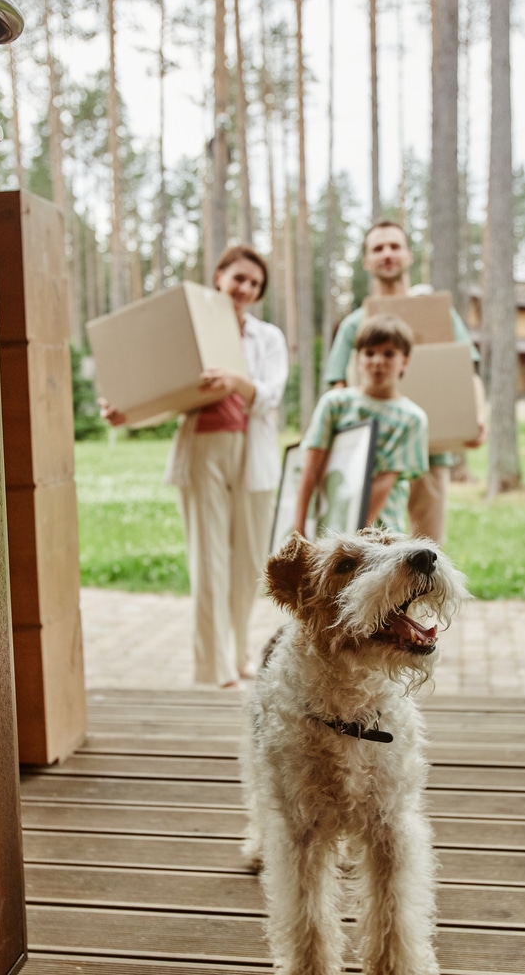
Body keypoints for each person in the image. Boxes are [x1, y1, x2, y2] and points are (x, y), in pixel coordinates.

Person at [102, 245, 288, 690]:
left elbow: (271, 395)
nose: (245, 288)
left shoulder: (269, 338)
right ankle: (214, 670)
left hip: (253, 454)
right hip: (204, 447)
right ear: (219, 276)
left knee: (248, 564)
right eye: (238, 278)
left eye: (255, 284)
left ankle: (240, 654)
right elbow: (162, 387)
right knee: (210, 562)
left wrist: (236, 382)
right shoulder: (190, 328)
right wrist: (126, 411)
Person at [323, 220, 485, 546]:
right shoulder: (354, 324)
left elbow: (468, 371)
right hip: (374, 459)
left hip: (431, 452)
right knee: (375, 555)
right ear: (367, 261)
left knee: (429, 555)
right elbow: (338, 386)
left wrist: (477, 418)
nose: (387, 254)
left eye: (394, 246)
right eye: (378, 248)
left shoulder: (439, 313)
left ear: (408, 256)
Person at [293, 314, 428, 537]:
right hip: (327, 523)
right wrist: (298, 526)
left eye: (388, 354)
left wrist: (357, 536)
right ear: (357, 358)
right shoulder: (334, 403)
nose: (377, 361)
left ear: (405, 360)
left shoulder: (412, 418)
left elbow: (385, 480)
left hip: (380, 531)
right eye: (369, 353)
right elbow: (312, 466)